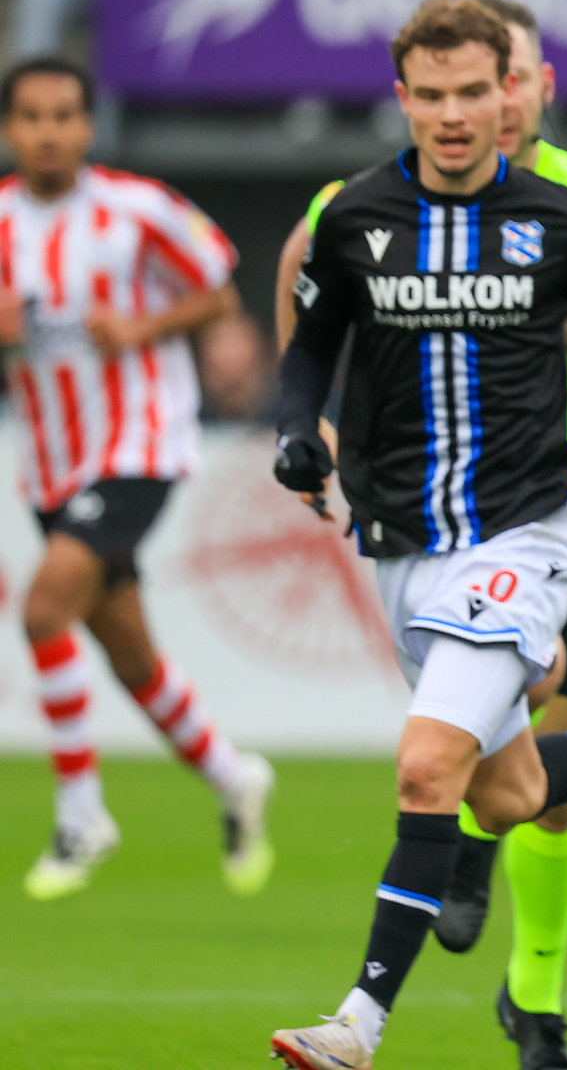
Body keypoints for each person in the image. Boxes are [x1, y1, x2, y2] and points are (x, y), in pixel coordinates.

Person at [265, 0, 567, 1068]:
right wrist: (295, 430)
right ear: (404, 99)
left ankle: (359, 1024)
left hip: (533, 528)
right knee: (503, 790)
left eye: (478, 89)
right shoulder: (357, 215)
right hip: (404, 535)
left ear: (520, 85)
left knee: (427, 767)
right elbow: (309, 340)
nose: (460, 113)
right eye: (435, 95)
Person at [0, 57, 276, 902]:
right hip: (50, 462)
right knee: (131, 657)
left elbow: (220, 293)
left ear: (88, 126)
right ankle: (235, 778)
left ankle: (83, 815)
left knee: (43, 604)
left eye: (64, 115)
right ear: (12, 130)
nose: (48, 131)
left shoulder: (138, 210)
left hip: (139, 442)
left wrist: (143, 324)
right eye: (32, 117)